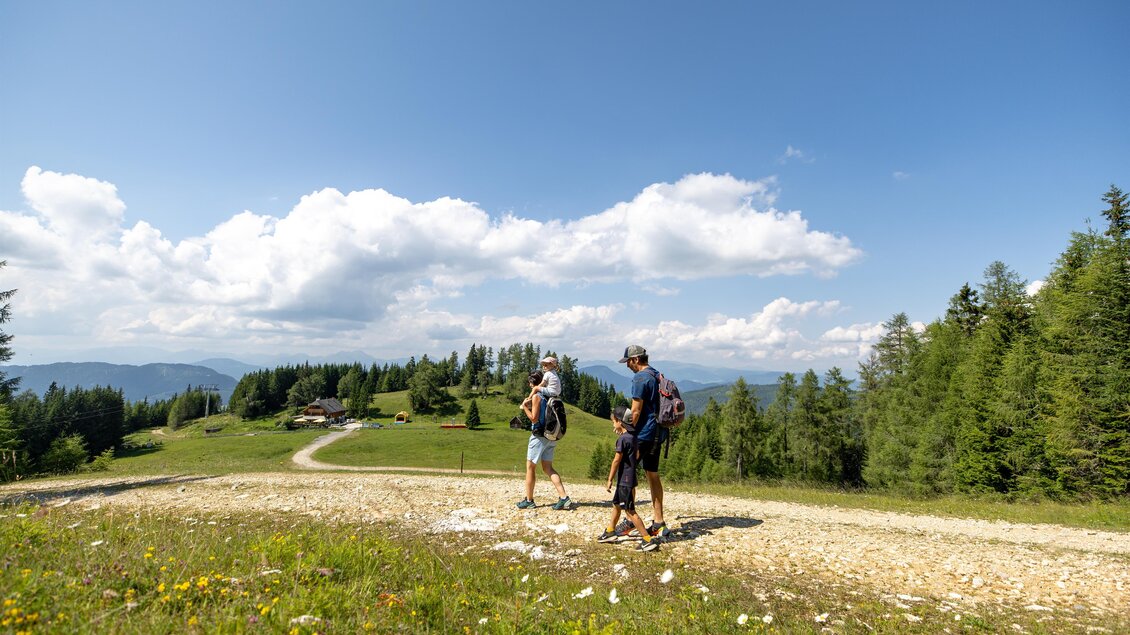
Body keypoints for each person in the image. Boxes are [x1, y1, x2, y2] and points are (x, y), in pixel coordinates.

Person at [618, 344, 671, 539]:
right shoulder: (657, 375)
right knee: (652, 475)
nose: (627, 366)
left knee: (627, 475)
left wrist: (626, 430)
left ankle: (631, 521)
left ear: (635, 359)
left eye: (628, 362)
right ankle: (659, 522)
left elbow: (636, 411)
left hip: (643, 435)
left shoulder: (640, 378)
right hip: (659, 433)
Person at [597, 405, 659, 551]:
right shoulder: (633, 437)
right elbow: (636, 455)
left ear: (619, 421)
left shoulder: (622, 440)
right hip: (629, 478)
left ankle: (647, 539)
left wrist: (610, 478)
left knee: (630, 511)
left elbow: (616, 460)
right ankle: (610, 531)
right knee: (617, 505)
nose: (613, 424)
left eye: (613, 422)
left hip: (624, 480)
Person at [516, 369, 572, 511]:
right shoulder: (549, 395)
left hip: (539, 436)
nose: (529, 386)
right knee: (548, 468)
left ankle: (529, 500)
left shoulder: (537, 397)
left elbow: (534, 418)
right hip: (551, 436)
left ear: (533, 383)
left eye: (530, 383)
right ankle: (564, 497)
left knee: (530, 468)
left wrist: (524, 408)